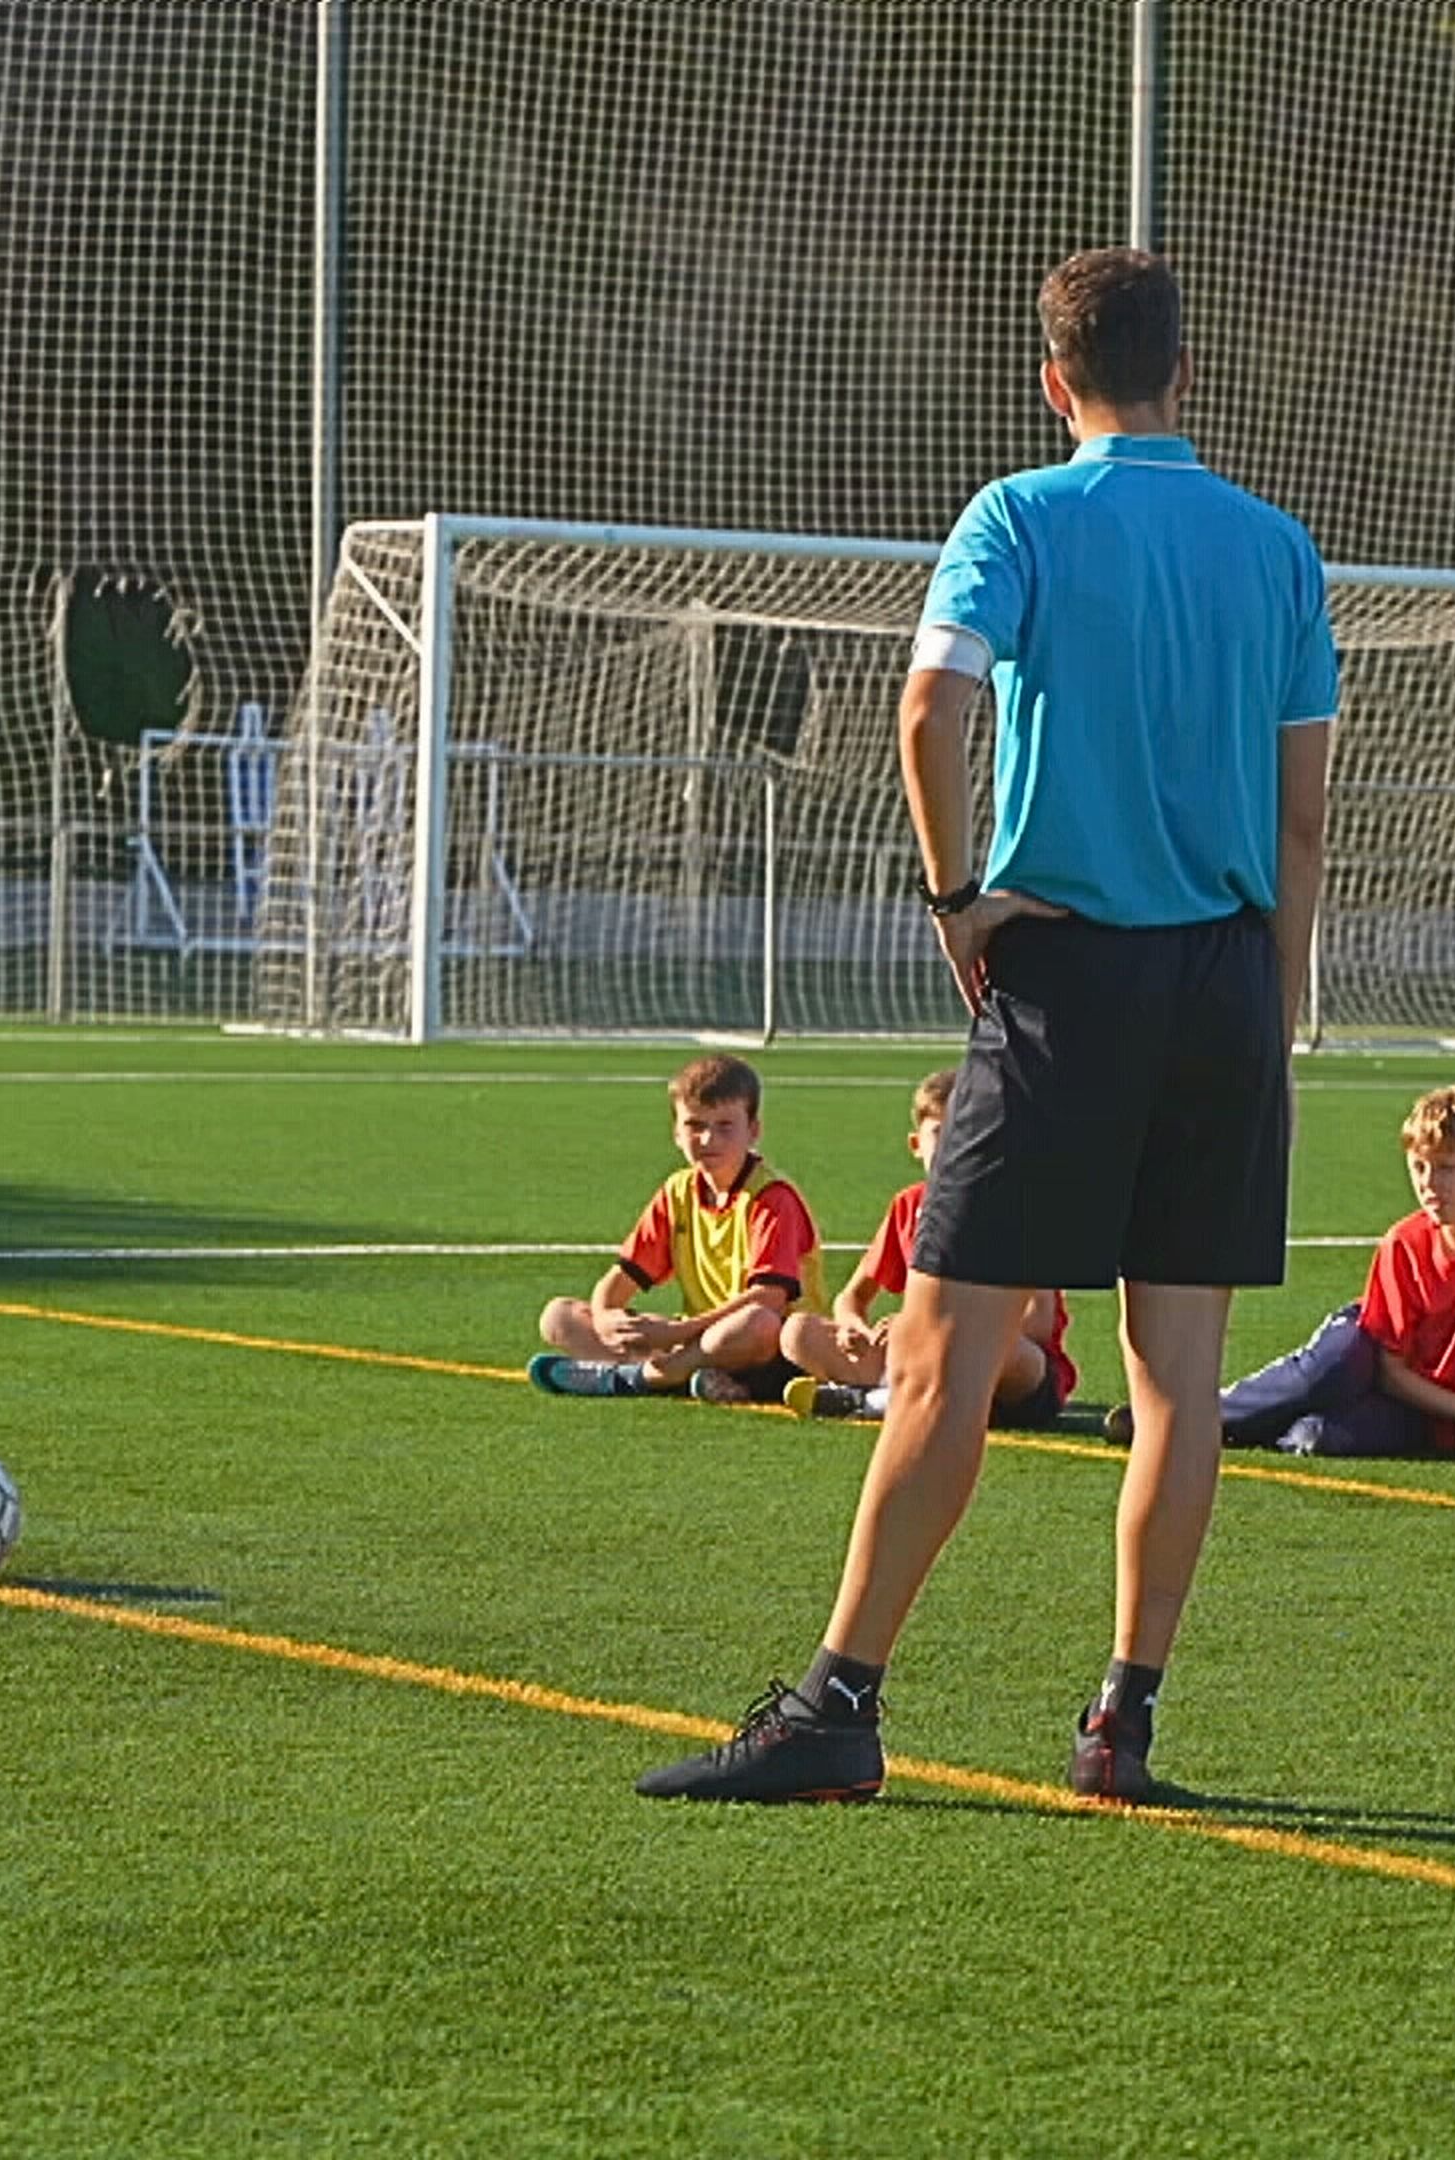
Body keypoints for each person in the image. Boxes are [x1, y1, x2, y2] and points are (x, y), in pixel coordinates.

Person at [639, 246, 1335, 1806]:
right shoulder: (1277, 549)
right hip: (1226, 979)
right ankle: (1121, 1722)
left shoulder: (1017, 514)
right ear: (1187, 373)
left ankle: (839, 1704)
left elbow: (924, 707)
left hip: (1068, 973)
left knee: (946, 1364)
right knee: (1178, 1379)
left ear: (1052, 382)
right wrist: (1271, 1006)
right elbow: (1302, 826)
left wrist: (958, 899)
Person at [1167, 1086, 1455, 1460]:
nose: (1429, 1184)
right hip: (1371, 1354)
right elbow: (1389, 1367)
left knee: (1318, 1437)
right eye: (1419, 1167)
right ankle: (1185, 1419)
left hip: (1417, 1405)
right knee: (1336, 1367)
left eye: (1447, 1168)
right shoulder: (1403, 1242)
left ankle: (1250, 1428)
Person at [781, 1069, 1077, 1429]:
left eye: (966, 1133)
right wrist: (854, 1330)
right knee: (797, 1332)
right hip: (920, 1353)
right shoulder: (908, 1206)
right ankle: (898, 1393)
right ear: (916, 1144)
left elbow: (1038, 1323)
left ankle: (879, 1400)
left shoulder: (1016, 1206)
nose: (955, 1147)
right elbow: (851, 1298)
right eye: (940, 1133)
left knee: (999, 1350)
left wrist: (934, 1327)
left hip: (1012, 1372)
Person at [527, 1055, 823, 1403]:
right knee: (559, 1316)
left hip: (768, 1348)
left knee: (757, 1324)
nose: (708, 1138)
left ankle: (646, 1376)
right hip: (698, 1339)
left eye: (725, 1125)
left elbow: (770, 1299)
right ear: (676, 1132)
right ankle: (683, 1375)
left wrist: (674, 1332)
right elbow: (618, 1281)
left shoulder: (772, 1197)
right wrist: (608, 1318)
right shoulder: (678, 1191)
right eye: (695, 1125)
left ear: (753, 1130)